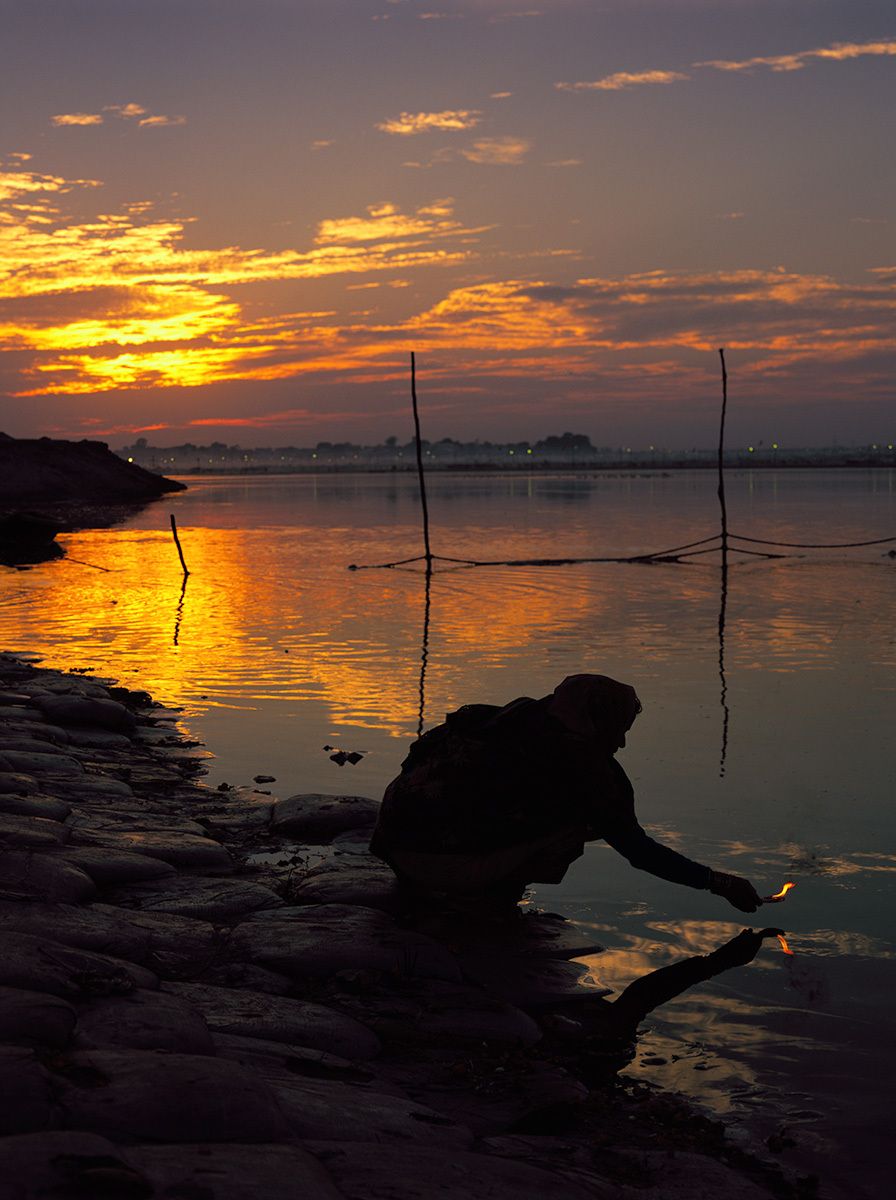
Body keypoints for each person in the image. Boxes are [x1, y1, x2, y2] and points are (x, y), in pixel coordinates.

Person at [370, 673, 763, 911]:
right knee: (579, 825)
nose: (622, 744)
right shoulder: (582, 763)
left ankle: (448, 884)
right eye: (619, 729)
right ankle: (481, 894)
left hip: (394, 850)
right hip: (441, 864)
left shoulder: (491, 723)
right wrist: (720, 883)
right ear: (596, 721)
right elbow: (638, 851)